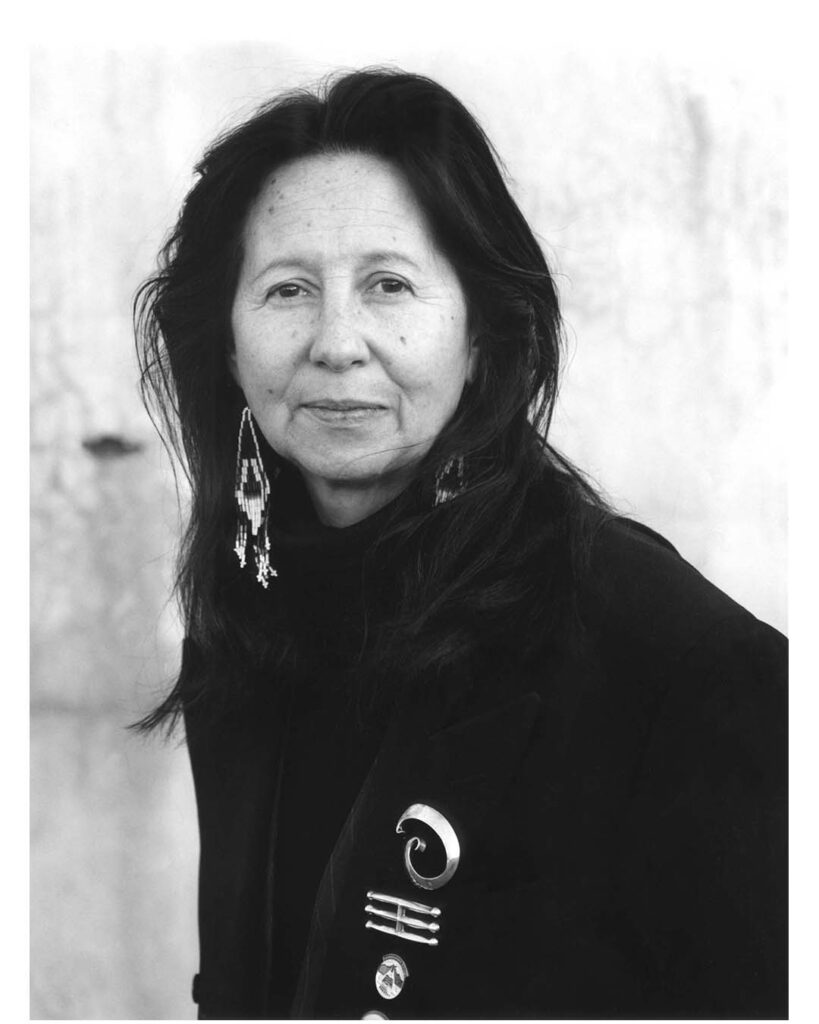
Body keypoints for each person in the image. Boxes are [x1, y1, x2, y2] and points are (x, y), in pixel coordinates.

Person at [134, 68, 787, 1019]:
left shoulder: (672, 658)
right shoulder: (245, 618)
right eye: (286, 290)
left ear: (482, 331)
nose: (337, 342)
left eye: (389, 285)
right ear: (228, 345)